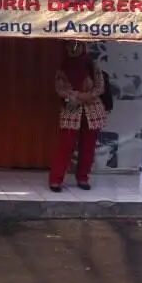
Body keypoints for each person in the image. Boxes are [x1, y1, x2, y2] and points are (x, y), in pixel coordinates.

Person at [49, 41, 108, 192]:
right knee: (65, 145)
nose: (74, 50)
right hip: (71, 109)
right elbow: (59, 89)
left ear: (83, 48)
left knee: (88, 147)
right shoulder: (63, 68)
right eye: (71, 47)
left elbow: (100, 87)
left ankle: (83, 178)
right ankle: (56, 180)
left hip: (92, 111)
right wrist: (74, 96)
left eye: (77, 46)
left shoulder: (92, 66)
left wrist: (86, 96)